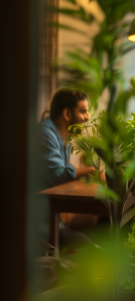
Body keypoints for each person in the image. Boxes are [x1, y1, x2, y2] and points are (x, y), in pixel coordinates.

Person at [37, 90, 97, 244]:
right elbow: (58, 174)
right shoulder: (45, 133)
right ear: (67, 114)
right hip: (38, 223)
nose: (88, 117)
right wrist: (90, 171)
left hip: (54, 217)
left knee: (95, 223)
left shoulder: (63, 139)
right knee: (85, 244)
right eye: (83, 111)